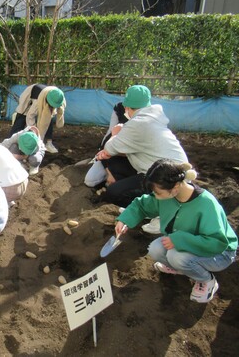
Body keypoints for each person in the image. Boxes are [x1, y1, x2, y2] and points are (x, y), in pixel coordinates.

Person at [115, 159, 237, 303]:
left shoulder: (206, 204)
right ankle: (182, 269)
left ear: (176, 186)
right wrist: (125, 220)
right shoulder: (167, 195)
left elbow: (217, 242)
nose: (156, 197)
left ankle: (206, 281)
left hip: (220, 254)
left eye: (158, 193)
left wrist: (179, 240)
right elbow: (141, 205)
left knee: (176, 257)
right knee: (155, 249)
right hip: (186, 244)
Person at [95, 85, 188, 208]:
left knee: (113, 194)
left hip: (163, 176)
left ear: (127, 107)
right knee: (116, 167)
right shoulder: (153, 118)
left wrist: (115, 133)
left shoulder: (138, 123)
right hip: (172, 170)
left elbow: (110, 148)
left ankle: (152, 209)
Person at [9, 84, 66, 154]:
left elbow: (52, 117)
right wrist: (34, 131)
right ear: (48, 101)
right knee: (22, 117)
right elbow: (30, 116)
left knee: (48, 117)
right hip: (29, 96)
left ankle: (49, 143)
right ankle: (11, 141)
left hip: (43, 96)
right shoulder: (37, 101)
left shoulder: (59, 97)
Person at [84, 102, 129, 187]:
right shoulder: (118, 128)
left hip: (132, 166)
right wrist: (109, 173)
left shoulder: (143, 129)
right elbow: (105, 148)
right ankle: (97, 160)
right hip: (115, 160)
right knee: (90, 181)